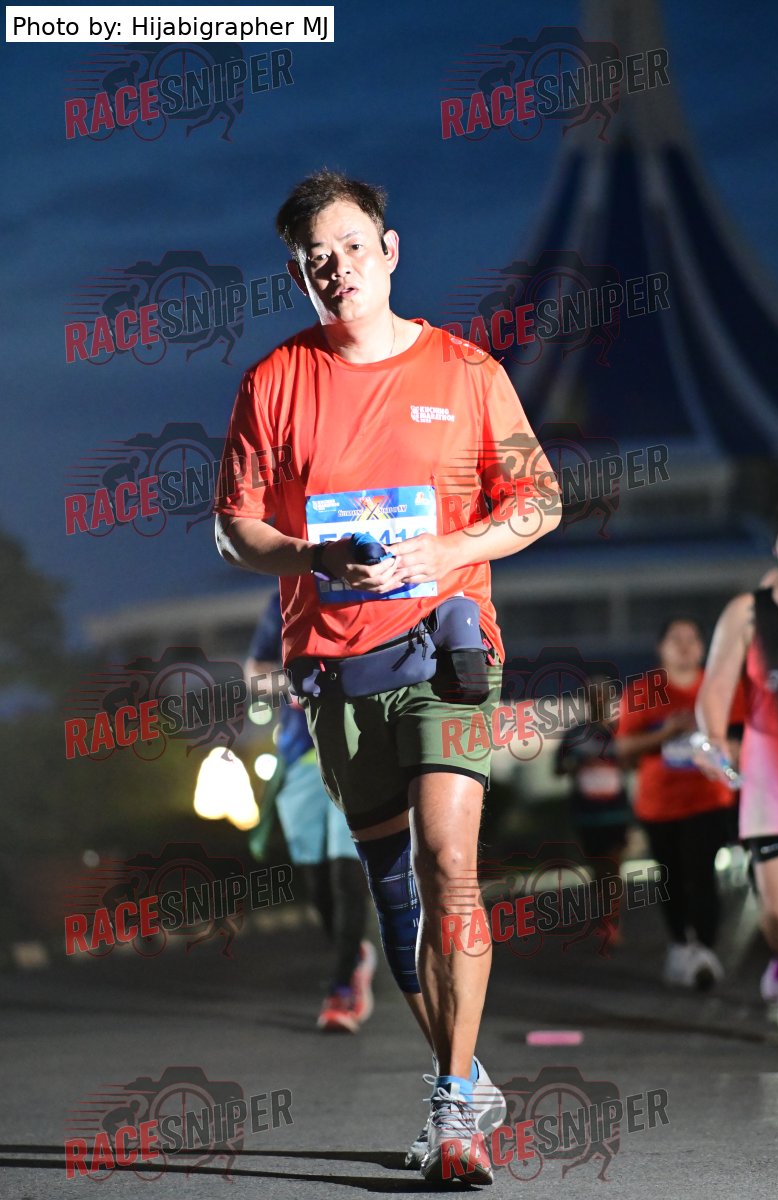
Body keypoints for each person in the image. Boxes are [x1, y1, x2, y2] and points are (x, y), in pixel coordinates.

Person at [214, 169, 561, 1184]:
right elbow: (234, 531)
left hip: (447, 643)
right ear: (299, 273)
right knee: (394, 888)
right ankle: (464, 1075)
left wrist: (449, 549)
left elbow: (539, 498)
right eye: (315, 258)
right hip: (333, 664)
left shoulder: (466, 371)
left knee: (450, 862)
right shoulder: (273, 381)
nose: (338, 269)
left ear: (390, 250)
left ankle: (453, 1114)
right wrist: (312, 556)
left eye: (353, 247)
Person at [246, 590, 376, 1033]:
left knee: (347, 874)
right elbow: (255, 674)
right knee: (318, 882)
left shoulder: (374, 582)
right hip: (301, 756)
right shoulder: (286, 595)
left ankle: (341, 989)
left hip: (360, 750)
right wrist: (298, 681)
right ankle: (353, 954)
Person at [695, 499, 778, 1040]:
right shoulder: (749, 613)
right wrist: (713, 740)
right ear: (777, 540)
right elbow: (715, 690)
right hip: (773, 775)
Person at [616, 618, 740, 990]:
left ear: (703, 647)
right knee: (669, 877)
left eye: (692, 638)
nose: (685, 646)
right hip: (659, 805)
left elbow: (742, 742)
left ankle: (704, 949)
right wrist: (667, 733)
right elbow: (623, 748)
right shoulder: (644, 691)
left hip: (709, 800)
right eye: (676, 639)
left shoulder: (721, 688)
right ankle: (680, 945)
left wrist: (715, 743)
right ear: (661, 648)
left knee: (701, 873)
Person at [554, 675, 632, 944]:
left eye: (603, 695)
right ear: (586, 699)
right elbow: (558, 768)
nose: (598, 700)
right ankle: (604, 915)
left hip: (616, 812)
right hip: (587, 815)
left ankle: (612, 922)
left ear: (611, 698)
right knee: (598, 869)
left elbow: (635, 761)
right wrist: (577, 764)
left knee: (614, 865)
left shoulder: (621, 730)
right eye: (593, 695)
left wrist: (617, 760)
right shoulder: (575, 734)